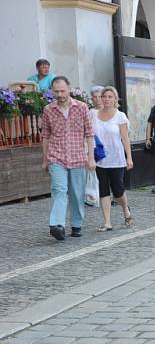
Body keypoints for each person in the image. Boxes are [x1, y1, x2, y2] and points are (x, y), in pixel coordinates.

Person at [40, 76, 95, 240]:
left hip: (78, 157)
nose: (60, 94)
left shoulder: (82, 107)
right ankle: (57, 225)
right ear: (52, 91)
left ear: (69, 89)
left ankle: (76, 224)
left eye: (62, 91)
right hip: (56, 157)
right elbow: (45, 136)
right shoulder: (48, 110)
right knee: (59, 190)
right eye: (56, 91)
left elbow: (90, 134)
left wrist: (90, 157)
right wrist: (45, 159)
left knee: (77, 193)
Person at [93, 86, 133, 232]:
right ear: (101, 98)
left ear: (115, 99)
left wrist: (129, 157)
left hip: (117, 159)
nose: (107, 99)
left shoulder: (120, 116)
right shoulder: (95, 115)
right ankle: (107, 222)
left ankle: (125, 209)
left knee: (118, 190)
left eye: (110, 96)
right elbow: (90, 136)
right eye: (105, 96)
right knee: (103, 190)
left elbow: (125, 138)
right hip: (100, 159)